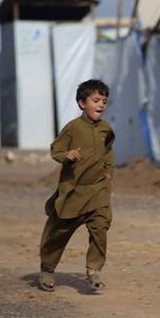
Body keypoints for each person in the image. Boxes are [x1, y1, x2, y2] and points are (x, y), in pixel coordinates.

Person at [37, 79, 115, 293]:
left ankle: (93, 271)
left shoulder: (106, 129)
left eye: (104, 101)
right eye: (96, 100)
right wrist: (67, 155)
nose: (100, 105)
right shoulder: (73, 127)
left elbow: (108, 150)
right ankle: (47, 269)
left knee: (100, 226)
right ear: (82, 103)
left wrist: (108, 170)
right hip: (73, 191)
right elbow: (56, 149)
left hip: (98, 189)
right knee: (58, 232)